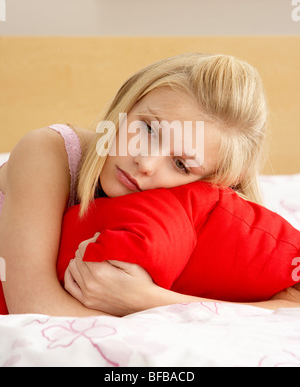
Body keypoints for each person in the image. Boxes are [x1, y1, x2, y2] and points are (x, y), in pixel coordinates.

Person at [0, 53, 299, 317]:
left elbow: (288, 307)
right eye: (148, 129)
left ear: (207, 184)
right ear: (127, 103)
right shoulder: (49, 152)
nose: (145, 162)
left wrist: (149, 300)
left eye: (180, 164)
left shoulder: (189, 217)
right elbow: (34, 306)